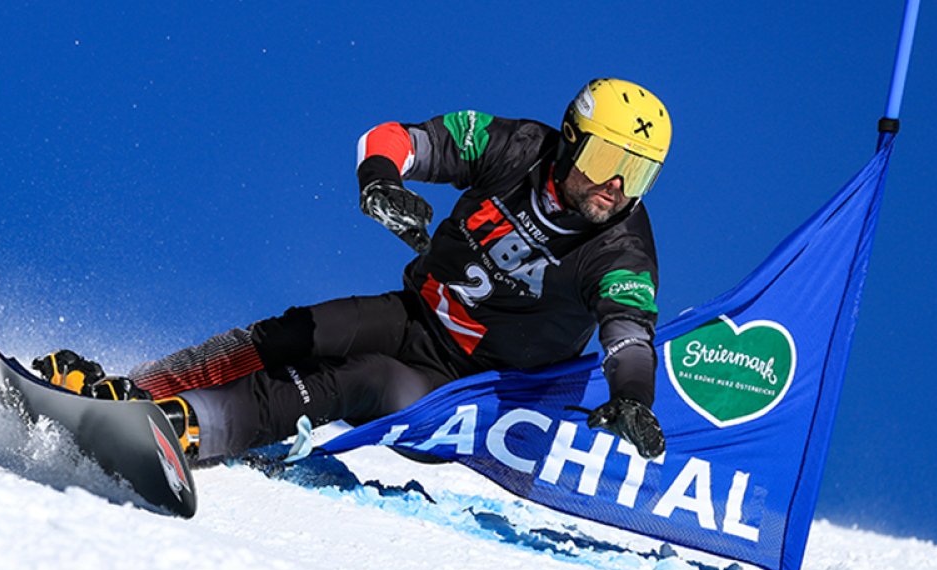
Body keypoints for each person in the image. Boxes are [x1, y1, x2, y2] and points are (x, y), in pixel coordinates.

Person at [35, 78, 670, 464]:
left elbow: (628, 334)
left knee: (361, 379)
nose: (615, 185)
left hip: (470, 390)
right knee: (296, 334)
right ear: (568, 137)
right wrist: (380, 184)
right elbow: (392, 138)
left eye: (637, 171)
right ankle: (132, 393)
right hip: (417, 315)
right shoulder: (515, 147)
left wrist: (633, 400)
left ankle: (190, 429)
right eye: (609, 156)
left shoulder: (623, 248)